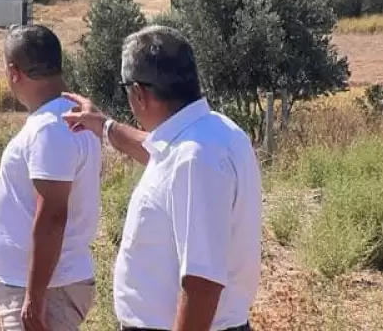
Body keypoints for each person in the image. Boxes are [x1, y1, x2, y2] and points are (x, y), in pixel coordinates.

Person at [63, 26, 261, 331]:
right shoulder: (212, 133)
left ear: (138, 93)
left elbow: (202, 285)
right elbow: (157, 151)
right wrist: (104, 126)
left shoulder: (195, 159)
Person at [0, 24, 102, 331]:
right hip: (47, 284)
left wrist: (34, 298)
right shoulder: (64, 119)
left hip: (47, 288)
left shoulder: (50, 127)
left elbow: (52, 214)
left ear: (14, 72)